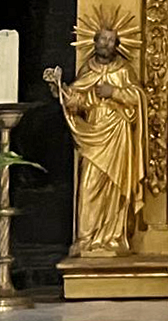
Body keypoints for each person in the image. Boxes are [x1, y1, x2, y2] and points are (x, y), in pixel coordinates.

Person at [44, 22, 147, 257]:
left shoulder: (124, 70)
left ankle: (112, 237)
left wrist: (115, 92)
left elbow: (138, 98)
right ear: (94, 41)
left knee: (115, 187)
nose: (106, 44)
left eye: (111, 40)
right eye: (102, 39)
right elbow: (77, 102)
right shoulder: (87, 71)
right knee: (88, 185)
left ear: (117, 45)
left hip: (118, 133)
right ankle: (87, 238)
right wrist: (61, 90)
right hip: (94, 133)